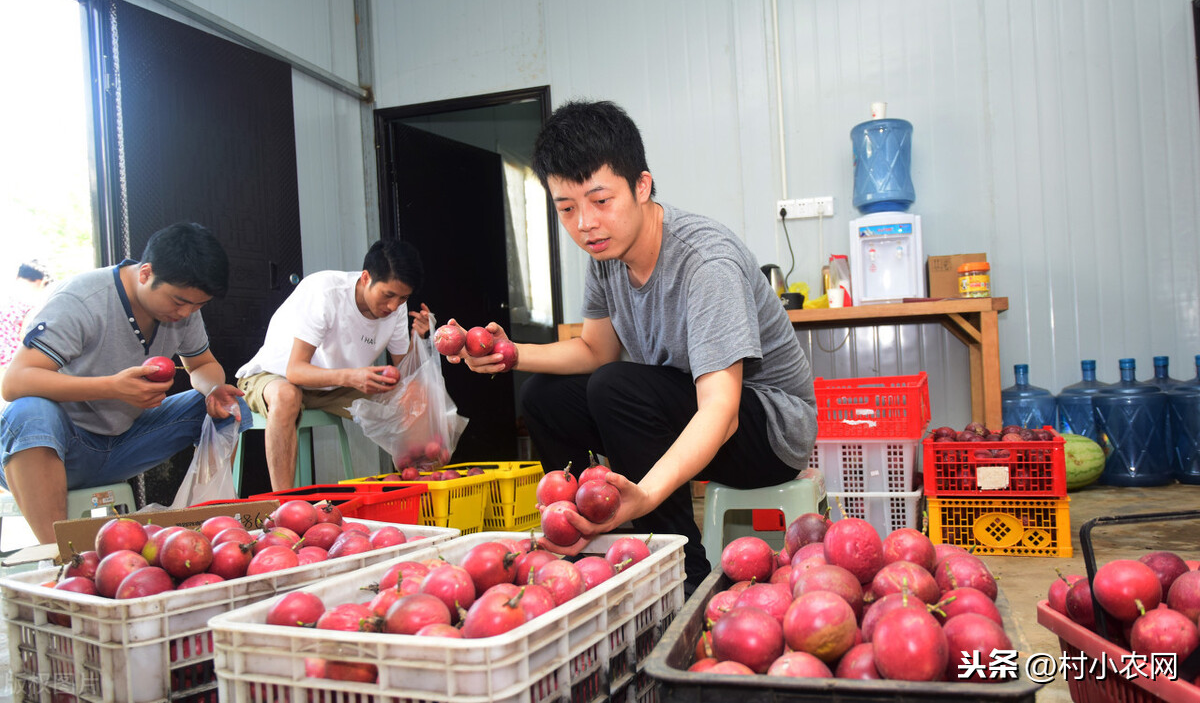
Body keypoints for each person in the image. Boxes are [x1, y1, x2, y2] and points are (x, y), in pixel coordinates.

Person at [449, 100, 819, 592]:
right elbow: (594, 350)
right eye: (567, 209)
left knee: (616, 388)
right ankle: (592, 536)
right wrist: (510, 354)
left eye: (601, 201)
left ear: (642, 186)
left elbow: (721, 412)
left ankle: (679, 572)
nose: (585, 224)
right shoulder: (605, 254)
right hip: (684, 409)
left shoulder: (706, 262)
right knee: (544, 397)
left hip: (769, 431)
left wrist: (643, 495)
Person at [0, 223, 249, 544]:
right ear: (145, 273)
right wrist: (111, 387)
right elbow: (14, 381)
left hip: (122, 445)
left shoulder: (184, 310)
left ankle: (206, 531)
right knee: (28, 411)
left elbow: (202, 364)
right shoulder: (81, 299)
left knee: (229, 407)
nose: (185, 312)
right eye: (179, 301)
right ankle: (61, 555)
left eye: (197, 306)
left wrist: (213, 390)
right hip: (59, 449)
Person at [236, 239, 430, 491]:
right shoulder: (325, 292)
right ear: (365, 278)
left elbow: (404, 373)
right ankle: (284, 508)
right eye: (388, 295)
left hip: (334, 387)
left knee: (413, 400)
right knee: (287, 396)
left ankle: (424, 492)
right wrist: (352, 377)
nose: (393, 306)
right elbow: (295, 371)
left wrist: (419, 339)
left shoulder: (395, 310)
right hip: (274, 376)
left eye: (403, 298)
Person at [0, 260, 53, 370]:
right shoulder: (34, 303)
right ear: (43, 281)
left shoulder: (6, 297)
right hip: (12, 363)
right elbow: (25, 334)